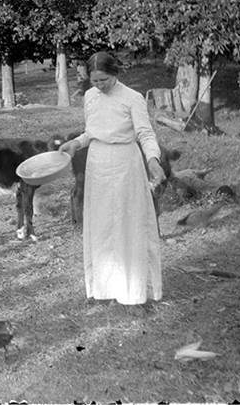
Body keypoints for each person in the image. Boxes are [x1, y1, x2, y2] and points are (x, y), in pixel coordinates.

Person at [58, 51, 165, 312]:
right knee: (102, 228)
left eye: (104, 80)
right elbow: (91, 132)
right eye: (95, 81)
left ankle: (134, 293)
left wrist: (152, 160)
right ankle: (104, 289)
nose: (99, 86)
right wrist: (76, 143)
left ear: (114, 73)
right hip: (98, 166)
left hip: (125, 165)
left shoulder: (132, 98)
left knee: (128, 226)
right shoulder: (90, 97)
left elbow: (145, 133)